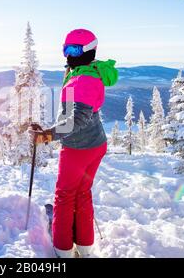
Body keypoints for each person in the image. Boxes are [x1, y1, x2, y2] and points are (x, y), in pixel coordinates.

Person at [31, 29, 118, 258]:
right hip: (95, 144)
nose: (69, 55)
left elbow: (77, 119)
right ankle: (85, 246)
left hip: (79, 148)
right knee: (81, 193)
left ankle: (63, 249)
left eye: (75, 50)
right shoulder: (87, 70)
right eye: (66, 49)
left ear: (89, 51)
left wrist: (48, 135)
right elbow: (72, 112)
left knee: (64, 195)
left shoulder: (84, 79)